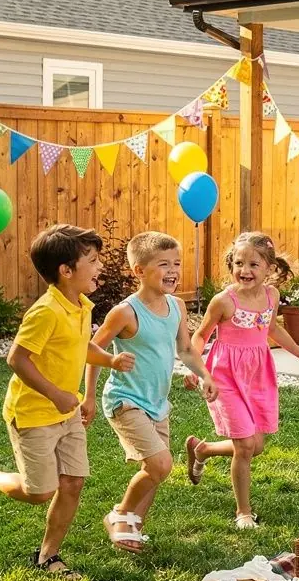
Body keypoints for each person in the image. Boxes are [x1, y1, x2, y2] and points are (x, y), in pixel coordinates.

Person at [0, 223, 136, 580]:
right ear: (66, 271)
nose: (100, 267)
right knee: (40, 492)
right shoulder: (45, 311)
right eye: (93, 261)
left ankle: (48, 556)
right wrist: (55, 392)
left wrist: (109, 360)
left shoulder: (80, 305)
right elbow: (17, 359)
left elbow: (79, 346)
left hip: (67, 412)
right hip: (33, 413)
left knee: (74, 481)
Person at [83, 231, 219, 552]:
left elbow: (185, 348)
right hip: (125, 401)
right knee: (161, 465)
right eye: (163, 264)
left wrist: (202, 374)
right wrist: (88, 395)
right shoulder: (125, 313)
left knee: (154, 471)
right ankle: (120, 515)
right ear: (139, 271)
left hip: (157, 403)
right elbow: (92, 351)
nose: (173, 270)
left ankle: (132, 530)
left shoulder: (177, 306)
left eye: (177, 263)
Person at [184, 232, 299, 528]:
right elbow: (200, 335)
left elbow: (272, 329)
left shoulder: (271, 296)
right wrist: (197, 370)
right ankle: (243, 512)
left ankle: (203, 449)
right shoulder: (224, 301)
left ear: (269, 268)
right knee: (245, 446)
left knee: (255, 446)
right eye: (239, 263)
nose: (245, 270)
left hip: (257, 374)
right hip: (225, 376)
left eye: (253, 264)